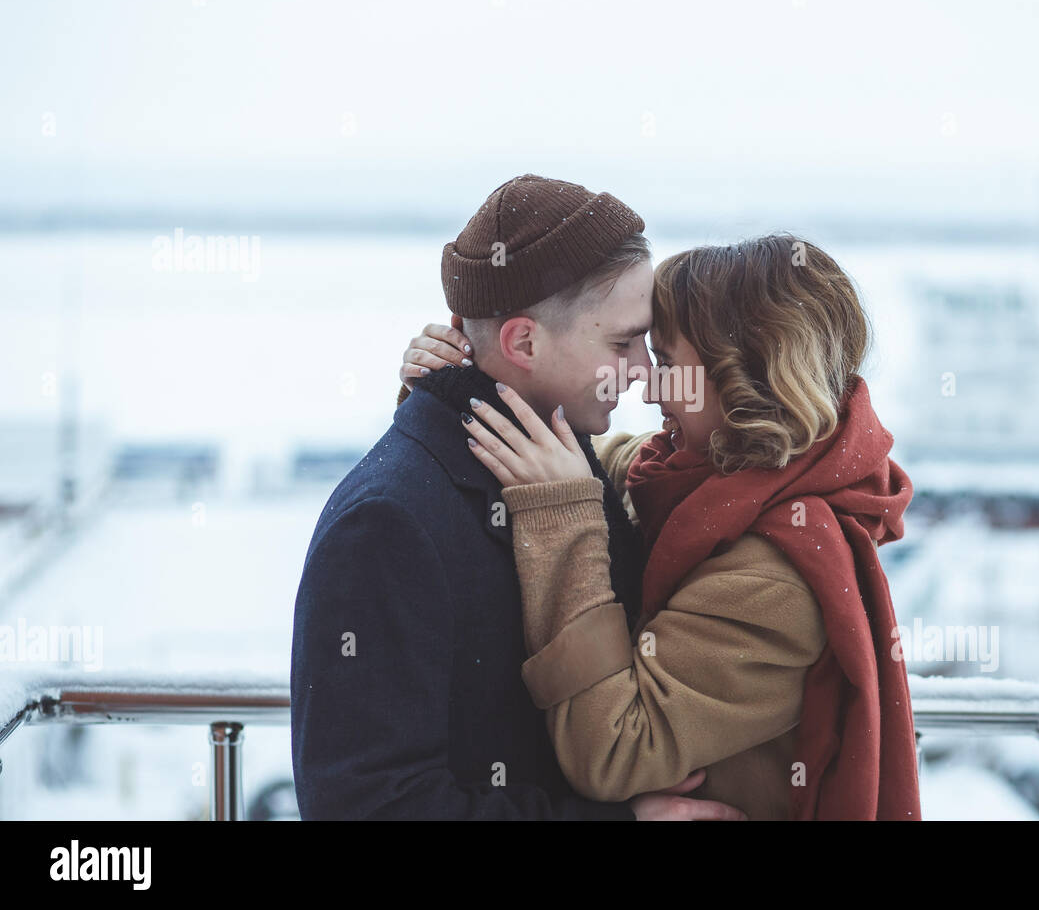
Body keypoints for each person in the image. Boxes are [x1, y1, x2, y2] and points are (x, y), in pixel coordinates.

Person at [403, 234, 922, 819]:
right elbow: (572, 455)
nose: (648, 387)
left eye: (669, 364)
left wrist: (563, 516)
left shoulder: (776, 578)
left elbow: (616, 751)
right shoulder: (691, 478)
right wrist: (462, 373)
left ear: (746, 379)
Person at [291, 174, 744, 819]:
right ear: (523, 343)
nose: (644, 371)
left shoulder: (562, 451)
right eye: (621, 343)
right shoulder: (388, 524)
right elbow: (364, 806)